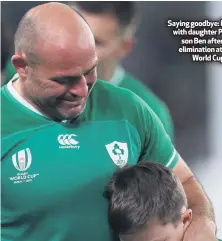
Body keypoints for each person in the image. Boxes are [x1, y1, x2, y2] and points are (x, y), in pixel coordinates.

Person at [1, 2, 222, 241]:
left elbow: (183, 181)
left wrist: (202, 223)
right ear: (22, 66)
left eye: (88, 73)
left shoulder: (129, 109)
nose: (80, 90)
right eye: (63, 79)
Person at [2, 2, 175, 141]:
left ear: (124, 47)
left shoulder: (147, 112)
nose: (77, 49)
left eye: (96, 42)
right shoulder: (14, 77)